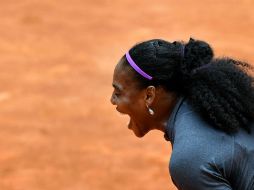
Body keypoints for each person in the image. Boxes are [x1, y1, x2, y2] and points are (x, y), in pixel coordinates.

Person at [110, 38, 254, 190]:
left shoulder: (189, 159)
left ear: (149, 96)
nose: (112, 100)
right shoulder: (216, 108)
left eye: (118, 93)